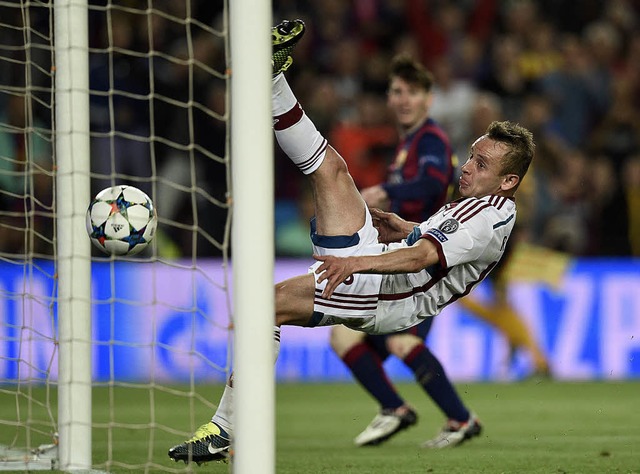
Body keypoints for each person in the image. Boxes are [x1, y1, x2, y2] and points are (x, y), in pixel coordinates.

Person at [168, 19, 535, 465]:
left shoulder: (487, 212)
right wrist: (406, 226)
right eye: (473, 155)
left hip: (387, 296)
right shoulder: (484, 207)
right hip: (383, 272)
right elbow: (432, 243)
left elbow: (424, 257)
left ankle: (226, 430)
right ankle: (271, 79)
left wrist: (359, 263)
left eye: (480, 163)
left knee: (267, 307)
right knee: (331, 169)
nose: (468, 166)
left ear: (508, 180)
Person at [329, 54, 480, 449]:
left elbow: (431, 186)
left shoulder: (431, 139)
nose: (403, 99)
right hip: (400, 259)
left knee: (402, 342)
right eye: (396, 91)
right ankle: (394, 408)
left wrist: (387, 191)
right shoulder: (407, 144)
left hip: (424, 262)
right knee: (345, 338)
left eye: (412, 92)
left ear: (428, 99)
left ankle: (461, 419)